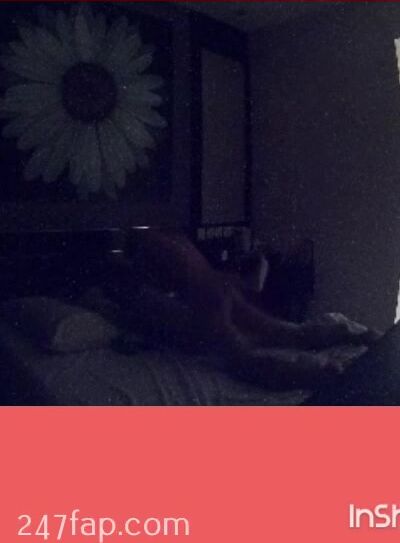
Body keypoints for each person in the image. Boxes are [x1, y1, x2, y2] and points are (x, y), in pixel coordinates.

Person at [104, 228, 381, 389]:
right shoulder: (164, 248)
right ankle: (345, 344)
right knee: (275, 338)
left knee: (257, 348)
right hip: (212, 294)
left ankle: (330, 365)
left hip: (211, 297)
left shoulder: (148, 263)